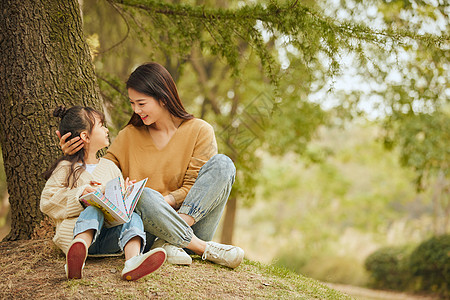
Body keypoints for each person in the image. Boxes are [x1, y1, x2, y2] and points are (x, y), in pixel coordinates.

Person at [59, 62, 244, 269]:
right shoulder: (128, 135)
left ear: (163, 99)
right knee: (143, 195)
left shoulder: (200, 130)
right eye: (132, 103)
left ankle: (169, 241)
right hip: (146, 232)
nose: (136, 110)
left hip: (193, 225)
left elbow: (195, 187)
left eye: (141, 103)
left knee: (224, 164)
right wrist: (75, 155)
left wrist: (162, 202)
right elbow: (103, 175)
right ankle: (204, 249)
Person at [41, 105, 166, 280]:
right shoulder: (66, 168)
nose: (107, 130)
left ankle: (133, 261)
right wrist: (81, 194)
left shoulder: (110, 167)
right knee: (93, 209)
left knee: (132, 217)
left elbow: (118, 209)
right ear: (85, 136)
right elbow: (47, 202)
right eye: (101, 125)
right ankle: (77, 257)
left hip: (108, 239)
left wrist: (125, 192)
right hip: (73, 236)